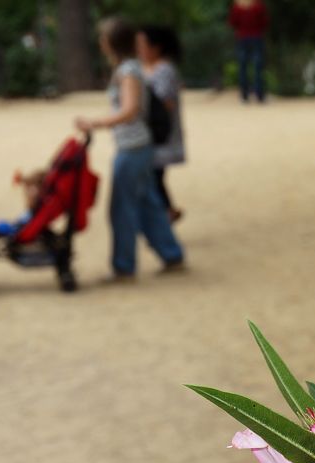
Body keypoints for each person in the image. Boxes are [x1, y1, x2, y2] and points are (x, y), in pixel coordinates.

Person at [74, 16, 185, 282]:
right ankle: (171, 254)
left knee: (122, 208)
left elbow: (130, 110)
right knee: (147, 203)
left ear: (110, 43)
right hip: (138, 147)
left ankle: (124, 265)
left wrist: (95, 123)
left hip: (133, 148)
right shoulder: (132, 68)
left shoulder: (127, 71)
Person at [137, 25, 186, 223]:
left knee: (153, 176)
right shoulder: (149, 68)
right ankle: (167, 210)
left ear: (156, 48)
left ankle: (165, 212)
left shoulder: (164, 70)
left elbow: (166, 102)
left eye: (141, 45)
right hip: (153, 133)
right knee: (154, 176)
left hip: (160, 133)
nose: (138, 49)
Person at [229, 0, 269, 103]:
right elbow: (264, 21)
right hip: (256, 37)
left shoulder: (237, 6)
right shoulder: (258, 5)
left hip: (242, 38)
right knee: (257, 67)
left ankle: (244, 95)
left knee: (243, 67)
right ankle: (259, 95)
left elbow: (232, 22)